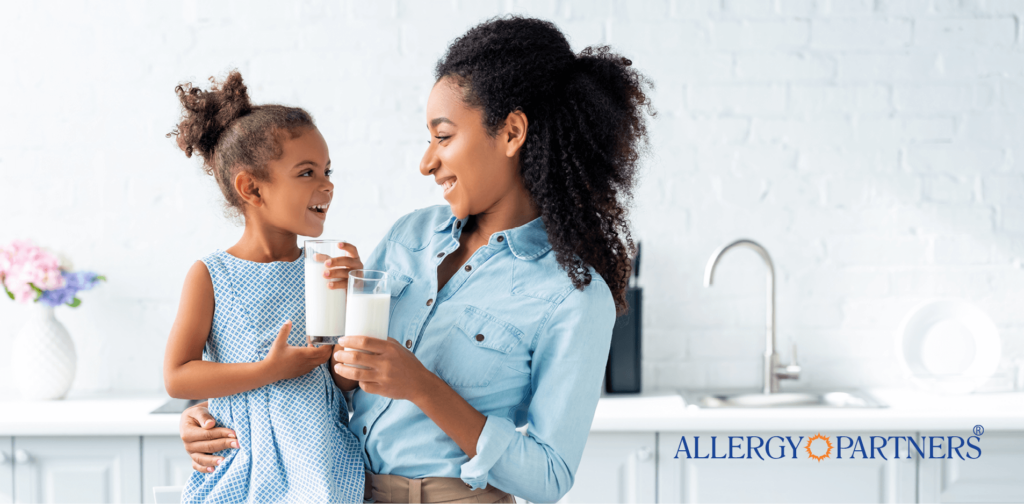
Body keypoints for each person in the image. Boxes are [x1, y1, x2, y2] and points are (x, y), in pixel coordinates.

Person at [179, 16, 653, 503]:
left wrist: (423, 387)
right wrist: (220, 413)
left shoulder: (573, 295)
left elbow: (549, 478)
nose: (426, 162)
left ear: (512, 133)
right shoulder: (411, 236)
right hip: (347, 489)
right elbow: (338, 385)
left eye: (443, 137)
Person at [163, 70, 365, 503]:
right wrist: (269, 371)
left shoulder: (325, 270)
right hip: (246, 465)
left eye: (327, 170)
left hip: (325, 461)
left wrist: (358, 306)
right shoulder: (211, 274)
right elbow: (178, 376)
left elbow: (341, 382)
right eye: (307, 172)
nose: (327, 184)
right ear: (251, 188)